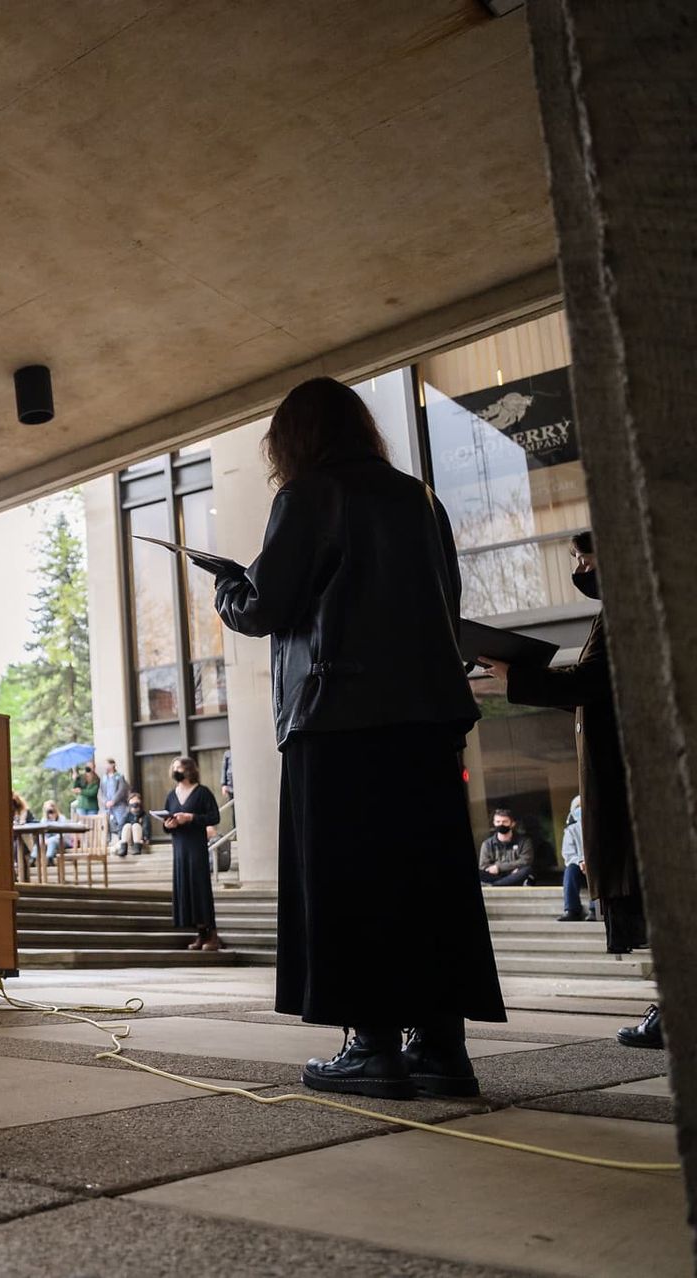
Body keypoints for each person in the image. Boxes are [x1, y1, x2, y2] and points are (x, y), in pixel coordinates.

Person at [215, 376, 502, 1100]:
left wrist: (230, 592)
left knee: (351, 878)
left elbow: (271, 603)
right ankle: (442, 1048)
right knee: (427, 877)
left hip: (338, 711)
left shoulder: (310, 495)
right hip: (428, 716)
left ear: (294, 439)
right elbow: (446, 603)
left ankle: (371, 1045)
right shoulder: (420, 499)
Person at [482, 530, 653, 1046]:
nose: (577, 567)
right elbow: (591, 692)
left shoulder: (625, 607)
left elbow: (590, 683)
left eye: (581, 556)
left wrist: (518, 676)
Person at [162, 757, 224, 950]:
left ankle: (212, 934)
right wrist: (168, 825)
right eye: (173, 768)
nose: (175, 771)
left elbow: (214, 816)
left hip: (196, 846)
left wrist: (191, 817)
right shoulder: (172, 795)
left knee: (200, 887)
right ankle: (200, 934)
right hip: (179, 848)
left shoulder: (202, 792)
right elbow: (167, 824)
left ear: (189, 770)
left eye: (178, 767)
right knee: (186, 889)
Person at [477, 809, 534, 887]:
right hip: (495, 876)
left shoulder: (524, 841)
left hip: (515, 875)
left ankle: (495, 886)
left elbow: (525, 861)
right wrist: (499, 869)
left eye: (505, 822)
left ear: (512, 824)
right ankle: (501, 884)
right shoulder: (487, 844)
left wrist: (499, 867)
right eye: (498, 822)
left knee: (527, 870)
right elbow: (483, 866)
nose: (501, 824)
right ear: (494, 823)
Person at [558, 796, 589, 922]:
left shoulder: (599, 827)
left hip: (598, 868)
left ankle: (594, 910)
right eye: (578, 807)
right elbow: (568, 854)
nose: (581, 810)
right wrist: (581, 862)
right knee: (570, 870)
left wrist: (590, 863)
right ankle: (571, 910)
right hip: (580, 868)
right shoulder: (571, 830)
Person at [100, 759, 130, 830]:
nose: (105, 766)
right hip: (107, 806)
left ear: (113, 765)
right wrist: (105, 802)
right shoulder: (104, 777)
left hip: (119, 805)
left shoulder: (119, 776)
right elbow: (101, 792)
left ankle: (122, 839)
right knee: (106, 825)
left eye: (107, 764)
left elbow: (122, 789)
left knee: (121, 823)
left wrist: (114, 801)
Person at [117, 789, 148, 855]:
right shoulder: (126, 815)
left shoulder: (143, 815)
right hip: (128, 839)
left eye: (136, 804)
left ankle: (137, 847)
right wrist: (120, 838)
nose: (135, 807)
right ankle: (123, 847)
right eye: (132, 804)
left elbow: (146, 827)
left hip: (139, 839)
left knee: (136, 826)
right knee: (127, 826)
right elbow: (120, 827)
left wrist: (146, 838)